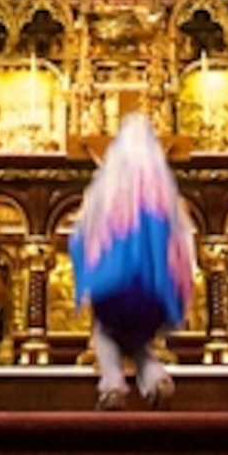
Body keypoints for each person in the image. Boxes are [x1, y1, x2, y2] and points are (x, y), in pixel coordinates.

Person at [72, 113, 196, 409]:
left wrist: (86, 264)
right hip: (152, 286)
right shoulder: (162, 190)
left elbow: (83, 226)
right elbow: (182, 233)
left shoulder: (108, 186)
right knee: (138, 342)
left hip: (115, 280)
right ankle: (155, 379)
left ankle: (113, 385)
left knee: (104, 331)